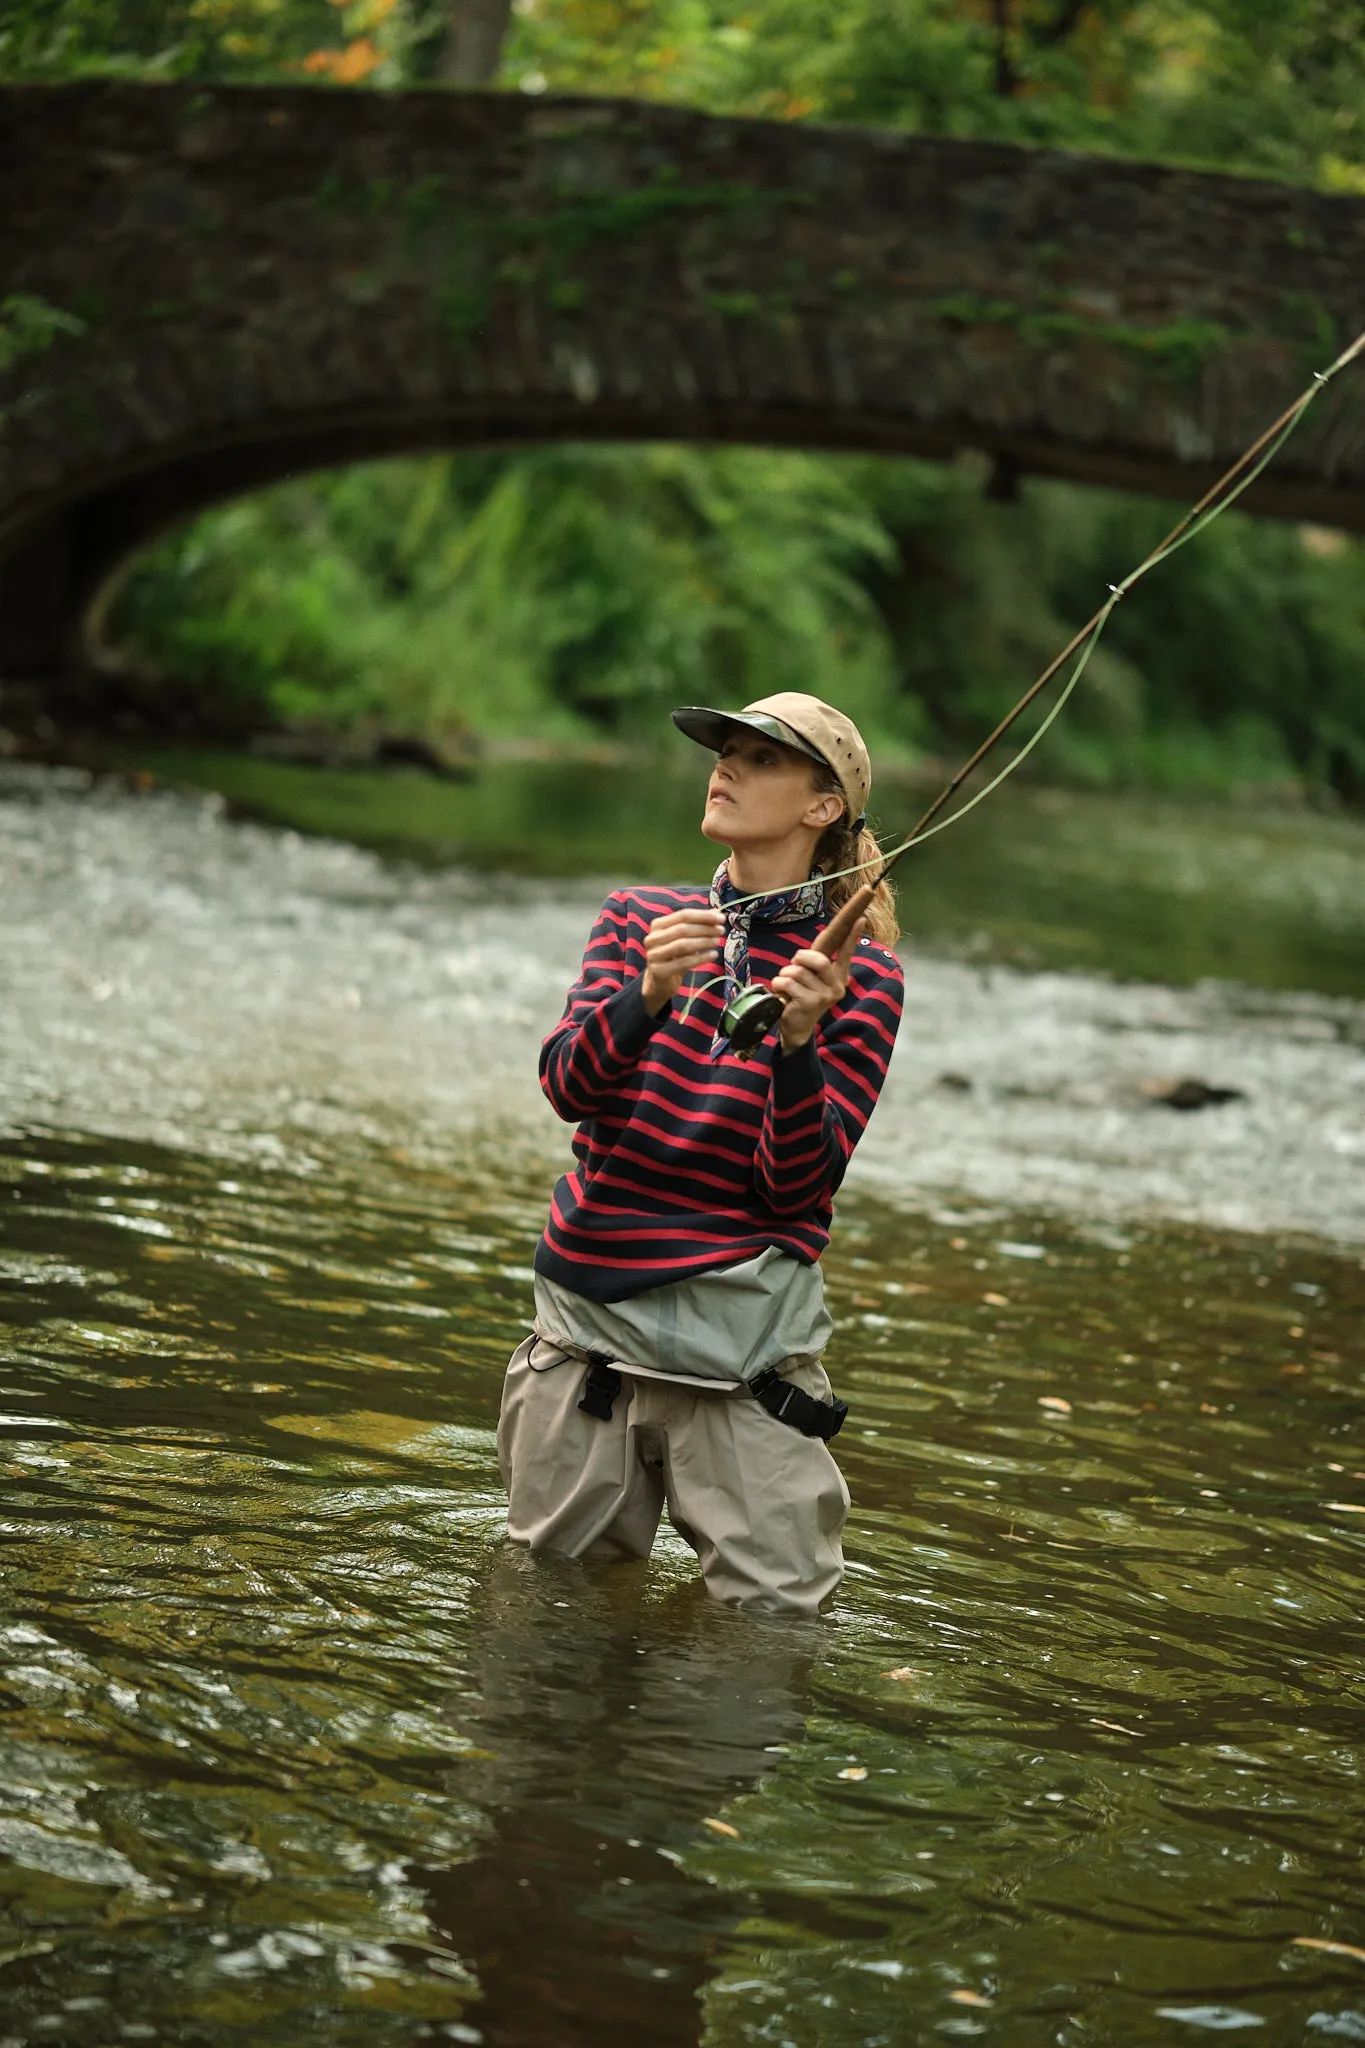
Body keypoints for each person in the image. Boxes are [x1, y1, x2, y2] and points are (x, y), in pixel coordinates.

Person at [497, 692, 904, 1616]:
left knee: (769, 1633)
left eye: (761, 759)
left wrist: (797, 1045)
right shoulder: (637, 918)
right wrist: (646, 992)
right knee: (550, 1623)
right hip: (586, 1347)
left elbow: (795, 1187)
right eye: (724, 752)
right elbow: (566, 1086)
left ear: (823, 806)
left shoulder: (864, 976)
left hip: (744, 1369)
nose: (724, 768)